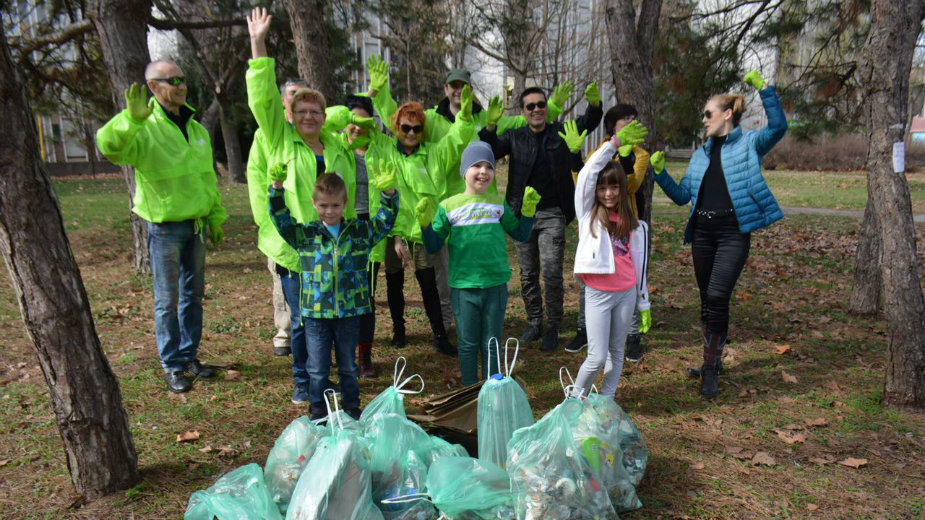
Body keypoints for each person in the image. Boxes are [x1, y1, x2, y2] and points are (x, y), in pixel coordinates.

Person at [246, 7, 360, 403]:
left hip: (334, 247)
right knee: (302, 320)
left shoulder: (336, 146)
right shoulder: (278, 139)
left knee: (332, 319)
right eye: (301, 111)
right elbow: (262, 98)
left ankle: (329, 379)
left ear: (324, 116)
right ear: (290, 115)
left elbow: (347, 196)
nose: (309, 116)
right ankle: (304, 382)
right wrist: (258, 44)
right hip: (297, 250)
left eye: (315, 111)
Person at [651, 70, 787, 398]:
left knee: (716, 296)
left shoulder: (750, 143)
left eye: (708, 114)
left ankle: (711, 369)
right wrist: (660, 173)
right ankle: (711, 360)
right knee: (706, 300)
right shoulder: (701, 154)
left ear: (727, 114)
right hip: (702, 233)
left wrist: (765, 90)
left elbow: (779, 127)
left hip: (732, 232)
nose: (703, 120)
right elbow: (683, 196)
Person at [96, 61, 225, 393]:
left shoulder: (196, 129)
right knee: (167, 300)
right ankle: (172, 365)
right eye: (172, 81)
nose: (181, 86)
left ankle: (189, 357)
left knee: (193, 297)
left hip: (195, 225)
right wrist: (130, 120)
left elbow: (206, 180)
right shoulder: (144, 127)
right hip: (165, 228)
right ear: (153, 87)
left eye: (183, 79)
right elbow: (109, 147)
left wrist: (214, 216)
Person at [479, 83, 603, 351]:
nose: (536, 109)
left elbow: (588, 122)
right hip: (522, 215)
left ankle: (553, 327)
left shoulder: (561, 133)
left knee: (552, 272)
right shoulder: (514, 137)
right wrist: (490, 126)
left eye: (541, 104)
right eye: (530, 106)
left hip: (553, 214)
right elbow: (487, 150)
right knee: (527, 274)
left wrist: (594, 106)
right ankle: (535, 322)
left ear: (547, 107)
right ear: (523, 111)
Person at [268, 168, 398, 420]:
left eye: (336, 205)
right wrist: (276, 189)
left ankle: (351, 409)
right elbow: (281, 221)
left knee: (348, 366)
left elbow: (384, 222)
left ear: (345, 204)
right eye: (324, 206)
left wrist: (389, 194)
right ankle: (318, 411)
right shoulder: (306, 235)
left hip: (349, 313)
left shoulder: (358, 233)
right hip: (316, 315)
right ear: (314, 204)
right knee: (317, 368)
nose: (330, 211)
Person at [419, 141, 539, 385]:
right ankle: (469, 392)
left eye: (489, 166)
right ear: (465, 171)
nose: (483, 171)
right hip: (464, 288)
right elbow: (432, 246)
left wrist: (528, 213)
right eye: (476, 165)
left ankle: (491, 391)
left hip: (495, 285)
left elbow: (520, 234)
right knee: (467, 343)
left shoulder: (497, 204)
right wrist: (425, 226)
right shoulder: (448, 207)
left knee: (492, 342)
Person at [374, 96, 476, 356]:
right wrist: (377, 91)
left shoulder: (434, 153)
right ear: (397, 128)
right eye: (405, 128)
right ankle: (399, 331)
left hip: (424, 229)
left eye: (416, 128)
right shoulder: (387, 150)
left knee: (428, 283)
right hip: (396, 229)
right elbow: (365, 130)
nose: (411, 133)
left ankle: (440, 335)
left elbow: (455, 140)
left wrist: (464, 118)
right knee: (394, 282)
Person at [570, 128, 652, 399]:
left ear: (622, 189)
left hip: (626, 293)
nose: (608, 193)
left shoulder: (633, 224)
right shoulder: (587, 215)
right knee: (596, 356)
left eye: (614, 187)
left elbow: (639, 264)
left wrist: (643, 302)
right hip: (598, 294)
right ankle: (574, 401)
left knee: (617, 351)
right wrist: (612, 144)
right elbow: (587, 174)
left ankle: (606, 401)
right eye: (603, 188)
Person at [324, 94, 388, 377]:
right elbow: (324, 120)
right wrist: (345, 116)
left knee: (365, 298)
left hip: (368, 230)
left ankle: (364, 357)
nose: (359, 126)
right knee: (337, 292)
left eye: (365, 121)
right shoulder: (334, 146)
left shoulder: (379, 149)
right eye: (354, 120)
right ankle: (340, 353)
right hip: (339, 227)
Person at [247, 76, 309, 358]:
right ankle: (284, 331)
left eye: (304, 94)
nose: (298, 100)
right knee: (282, 280)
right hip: (279, 224)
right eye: (293, 94)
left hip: (309, 225)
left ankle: (311, 334)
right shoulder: (268, 134)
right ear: (283, 100)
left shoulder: (315, 134)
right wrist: (265, 219)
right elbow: (256, 175)